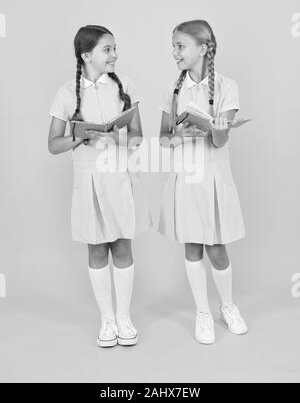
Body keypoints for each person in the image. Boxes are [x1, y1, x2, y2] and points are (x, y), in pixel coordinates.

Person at [48, 25, 152, 347]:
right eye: (107, 49)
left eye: (114, 48)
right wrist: (81, 136)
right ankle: (106, 319)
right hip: (89, 181)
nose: (114, 55)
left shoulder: (125, 86)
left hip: (120, 178)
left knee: (122, 246)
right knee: (97, 248)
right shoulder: (67, 93)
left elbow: (137, 136)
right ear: (86, 55)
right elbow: (53, 144)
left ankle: (124, 316)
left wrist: (113, 136)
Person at [158, 20, 248, 344]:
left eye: (180, 46)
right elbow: (163, 140)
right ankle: (202, 312)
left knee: (216, 246)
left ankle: (227, 306)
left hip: (213, 176)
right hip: (186, 178)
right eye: (174, 46)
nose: (174, 52)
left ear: (203, 48)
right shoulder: (173, 89)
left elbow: (221, 142)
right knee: (193, 245)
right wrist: (177, 135)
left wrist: (219, 129)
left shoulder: (227, 87)